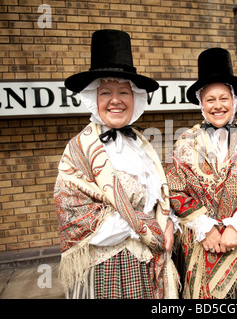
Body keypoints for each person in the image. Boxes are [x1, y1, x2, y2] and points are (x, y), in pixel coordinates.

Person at [54, 29, 179, 299]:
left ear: (135, 99)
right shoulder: (79, 150)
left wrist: (168, 223)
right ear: (93, 99)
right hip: (106, 271)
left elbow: (159, 201)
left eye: (123, 91)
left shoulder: (142, 145)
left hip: (148, 266)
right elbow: (77, 221)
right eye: (105, 92)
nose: (115, 100)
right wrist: (148, 228)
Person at [166, 48, 237, 299]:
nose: (218, 106)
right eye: (210, 99)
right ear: (201, 104)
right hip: (199, 247)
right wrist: (206, 228)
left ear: (234, 101)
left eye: (224, 98)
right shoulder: (184, 143)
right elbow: (174, 191)